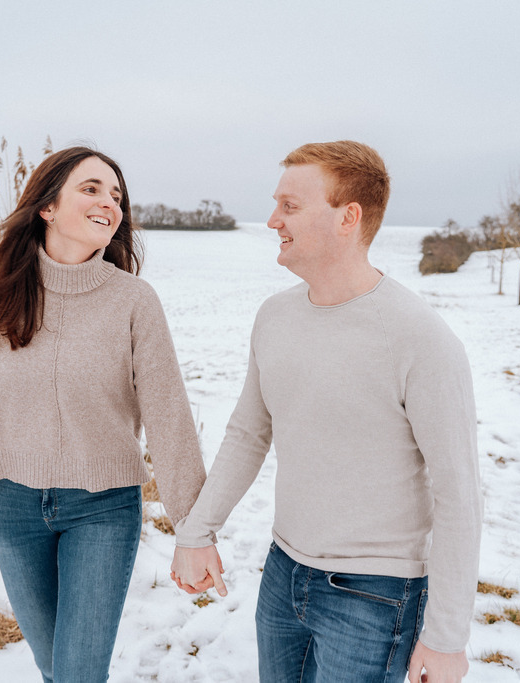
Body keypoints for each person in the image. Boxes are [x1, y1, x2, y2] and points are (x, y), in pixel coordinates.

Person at [170, 141, 482, 683]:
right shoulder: (274, 317)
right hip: (284, 574)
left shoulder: (420, 338)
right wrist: (197, 532)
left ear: (348, 217)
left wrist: (447, 636)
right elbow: (248, 433)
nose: (272, 221)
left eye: (290, 206)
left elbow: (459, 493)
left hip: (374, 597)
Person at [0, 146, 206, 683]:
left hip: (103, 510)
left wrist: (194, 529)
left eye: (116, 195)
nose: (109, 203)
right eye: (91, 189)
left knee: (78, 673)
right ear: (47, 207)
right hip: (15, 508)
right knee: (54, 668)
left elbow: (170, 417)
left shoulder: (134, 301)